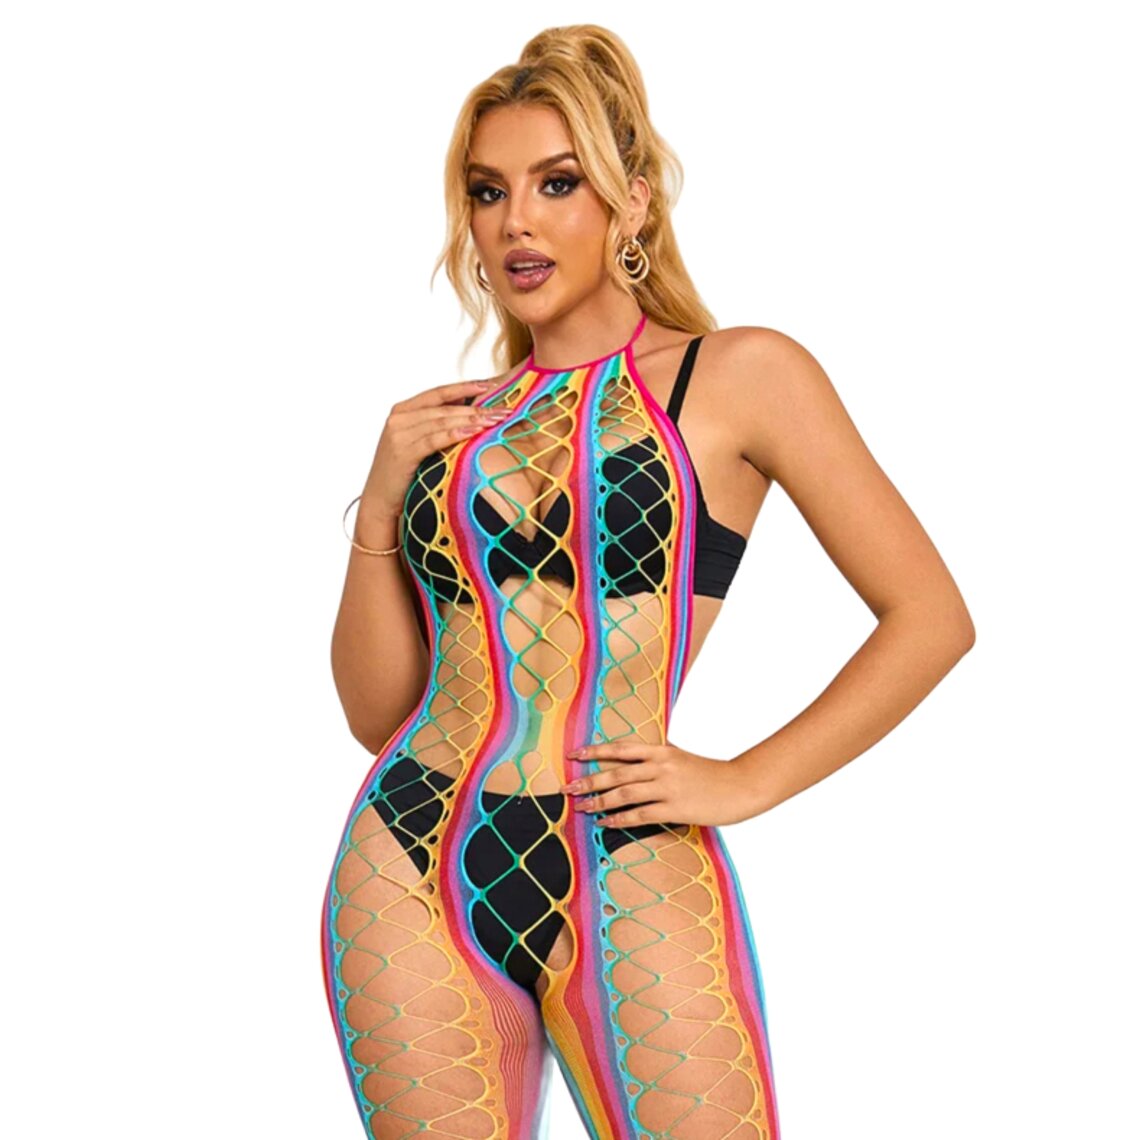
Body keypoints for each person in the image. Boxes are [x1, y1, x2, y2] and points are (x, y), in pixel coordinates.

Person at [320, 24, 974, 1140]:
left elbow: (932, 618)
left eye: (555, 183)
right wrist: (380, 504)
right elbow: (377, 714)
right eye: (488, 192)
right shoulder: (454, 428)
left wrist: (748, 778)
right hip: (409, 858)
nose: (515, 222)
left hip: (628, 854)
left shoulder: (742, 375)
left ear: (630, 203)